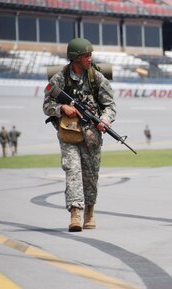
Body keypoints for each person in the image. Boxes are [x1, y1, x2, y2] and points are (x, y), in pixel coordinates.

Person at [43, 37, 116, 232]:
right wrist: (62, 108)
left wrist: (105, 121)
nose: (90, 59)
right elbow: (47, 105)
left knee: (91, 176)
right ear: (75, 58)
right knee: (73, 171)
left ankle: (89, 212)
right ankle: (75, 213)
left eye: (90, 55)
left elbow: (110, 106)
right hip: (69, 134)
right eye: (86, 56)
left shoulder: (96, 78)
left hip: (92, 136)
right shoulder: (60, 78)